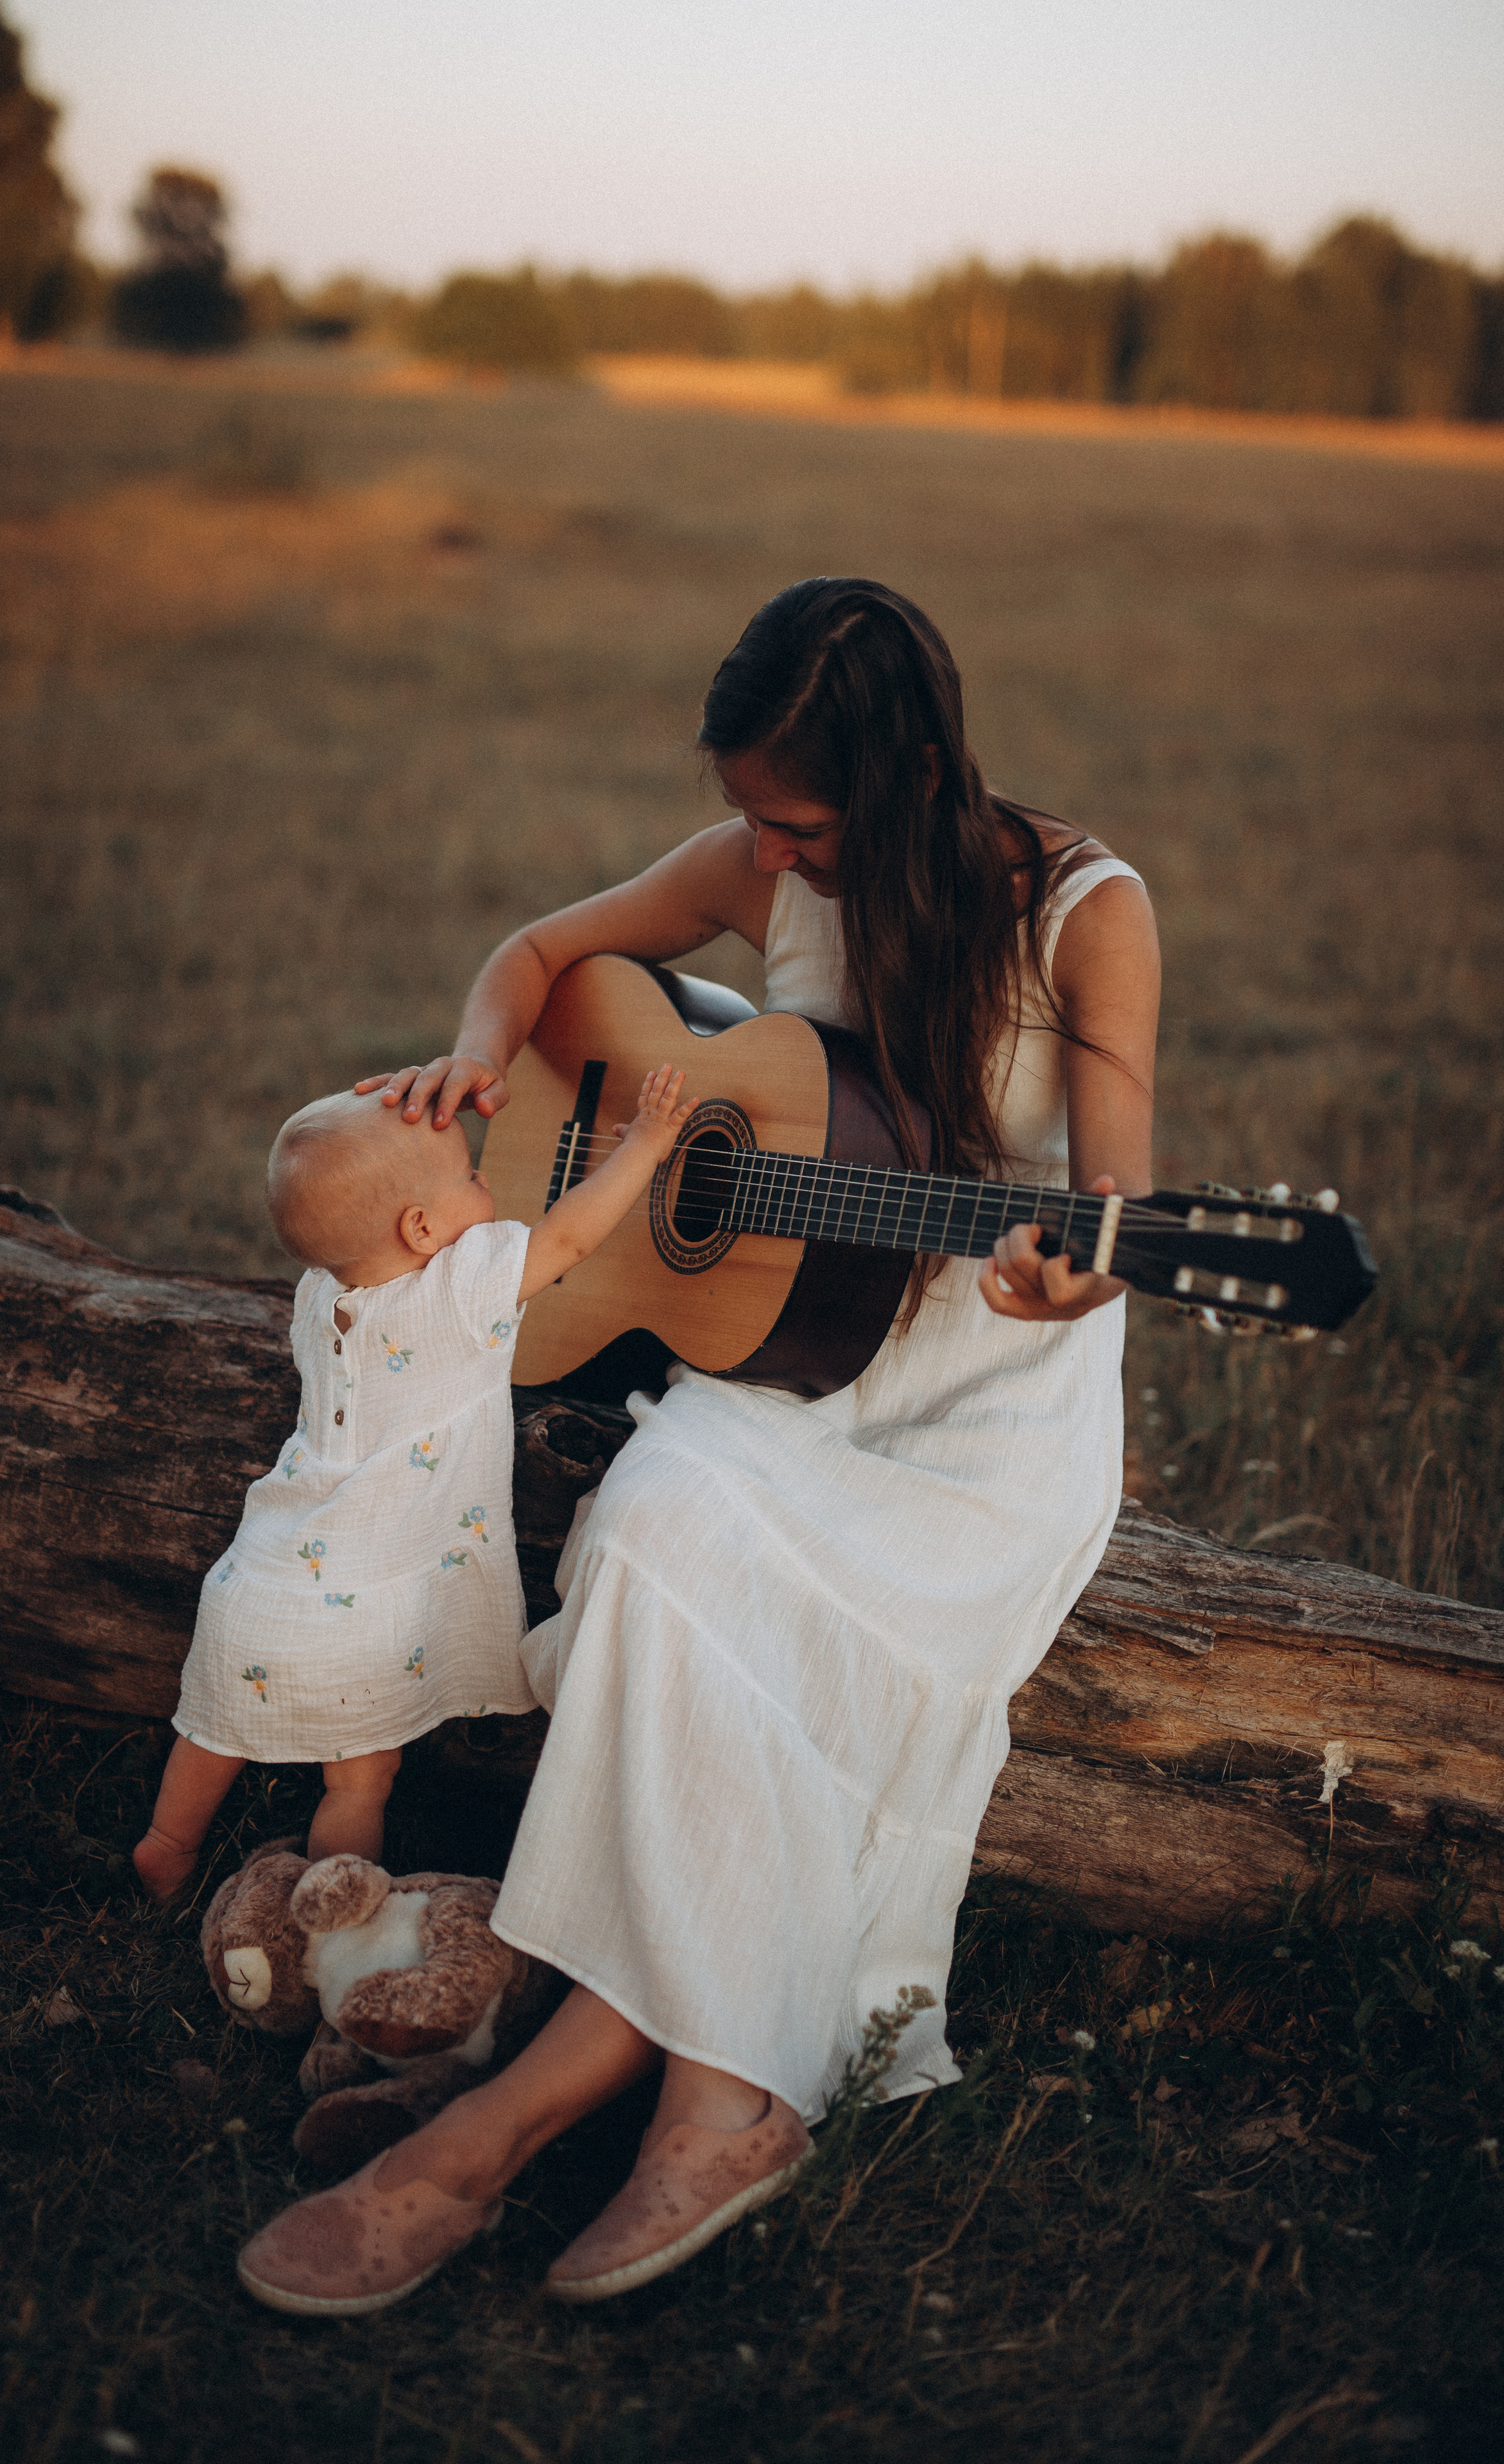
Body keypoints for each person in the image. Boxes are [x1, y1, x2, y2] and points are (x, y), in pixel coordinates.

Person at [235, 576, 1159, 2318]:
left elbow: (1108, 1208)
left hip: (984, 1407)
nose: (769, 857)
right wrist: (475, 1064)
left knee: (786, 1635)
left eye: (798, 823)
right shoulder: (751, 868)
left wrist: (1068, 1273)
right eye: (750, 815)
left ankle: (529, 2111)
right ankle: (706, 2089)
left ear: (905, 781)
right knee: (656, 1535)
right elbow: (535, 960)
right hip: (802, 1354)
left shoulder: (1090, 914)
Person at [134, 1066, 697, 1901]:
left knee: (212, 1729)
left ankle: (167, 1843)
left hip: (261, 1583)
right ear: (425, 1226)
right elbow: (570, 1240)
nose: (487, 1183)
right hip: (365, 1602)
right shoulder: (462, 1288)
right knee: (359, 1782)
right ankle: (334, 1898)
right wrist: (647, 1145)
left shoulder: (320, 1292)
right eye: (472, 1175)